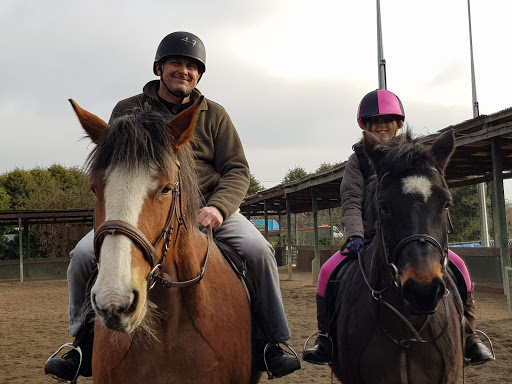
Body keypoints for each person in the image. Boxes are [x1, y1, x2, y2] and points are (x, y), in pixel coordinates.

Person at [44, 31, 300, 382]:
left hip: (209, 210)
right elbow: (117, 169)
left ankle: (273, 342)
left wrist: (220, 208)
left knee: (259, 252)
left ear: (199, 74)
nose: (184, 71)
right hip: (144, 209)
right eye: (177, 63)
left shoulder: (214, 115)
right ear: (159, 68)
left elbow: (237, 168)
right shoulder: (128, 110)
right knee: (81, 257)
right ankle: (81, 345)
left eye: (192, 66)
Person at [303, 89, 494, 366]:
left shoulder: (417, 155)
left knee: (460, 269)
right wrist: (355, 234)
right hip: (369, 238)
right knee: (327, 272)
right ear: (365, 126)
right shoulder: (358, 161)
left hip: (414, 237)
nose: (381, 125)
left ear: (399, 123)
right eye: (374, 121)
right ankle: (326, 338)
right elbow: (351, 199)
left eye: (387, 120)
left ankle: (469, 336)